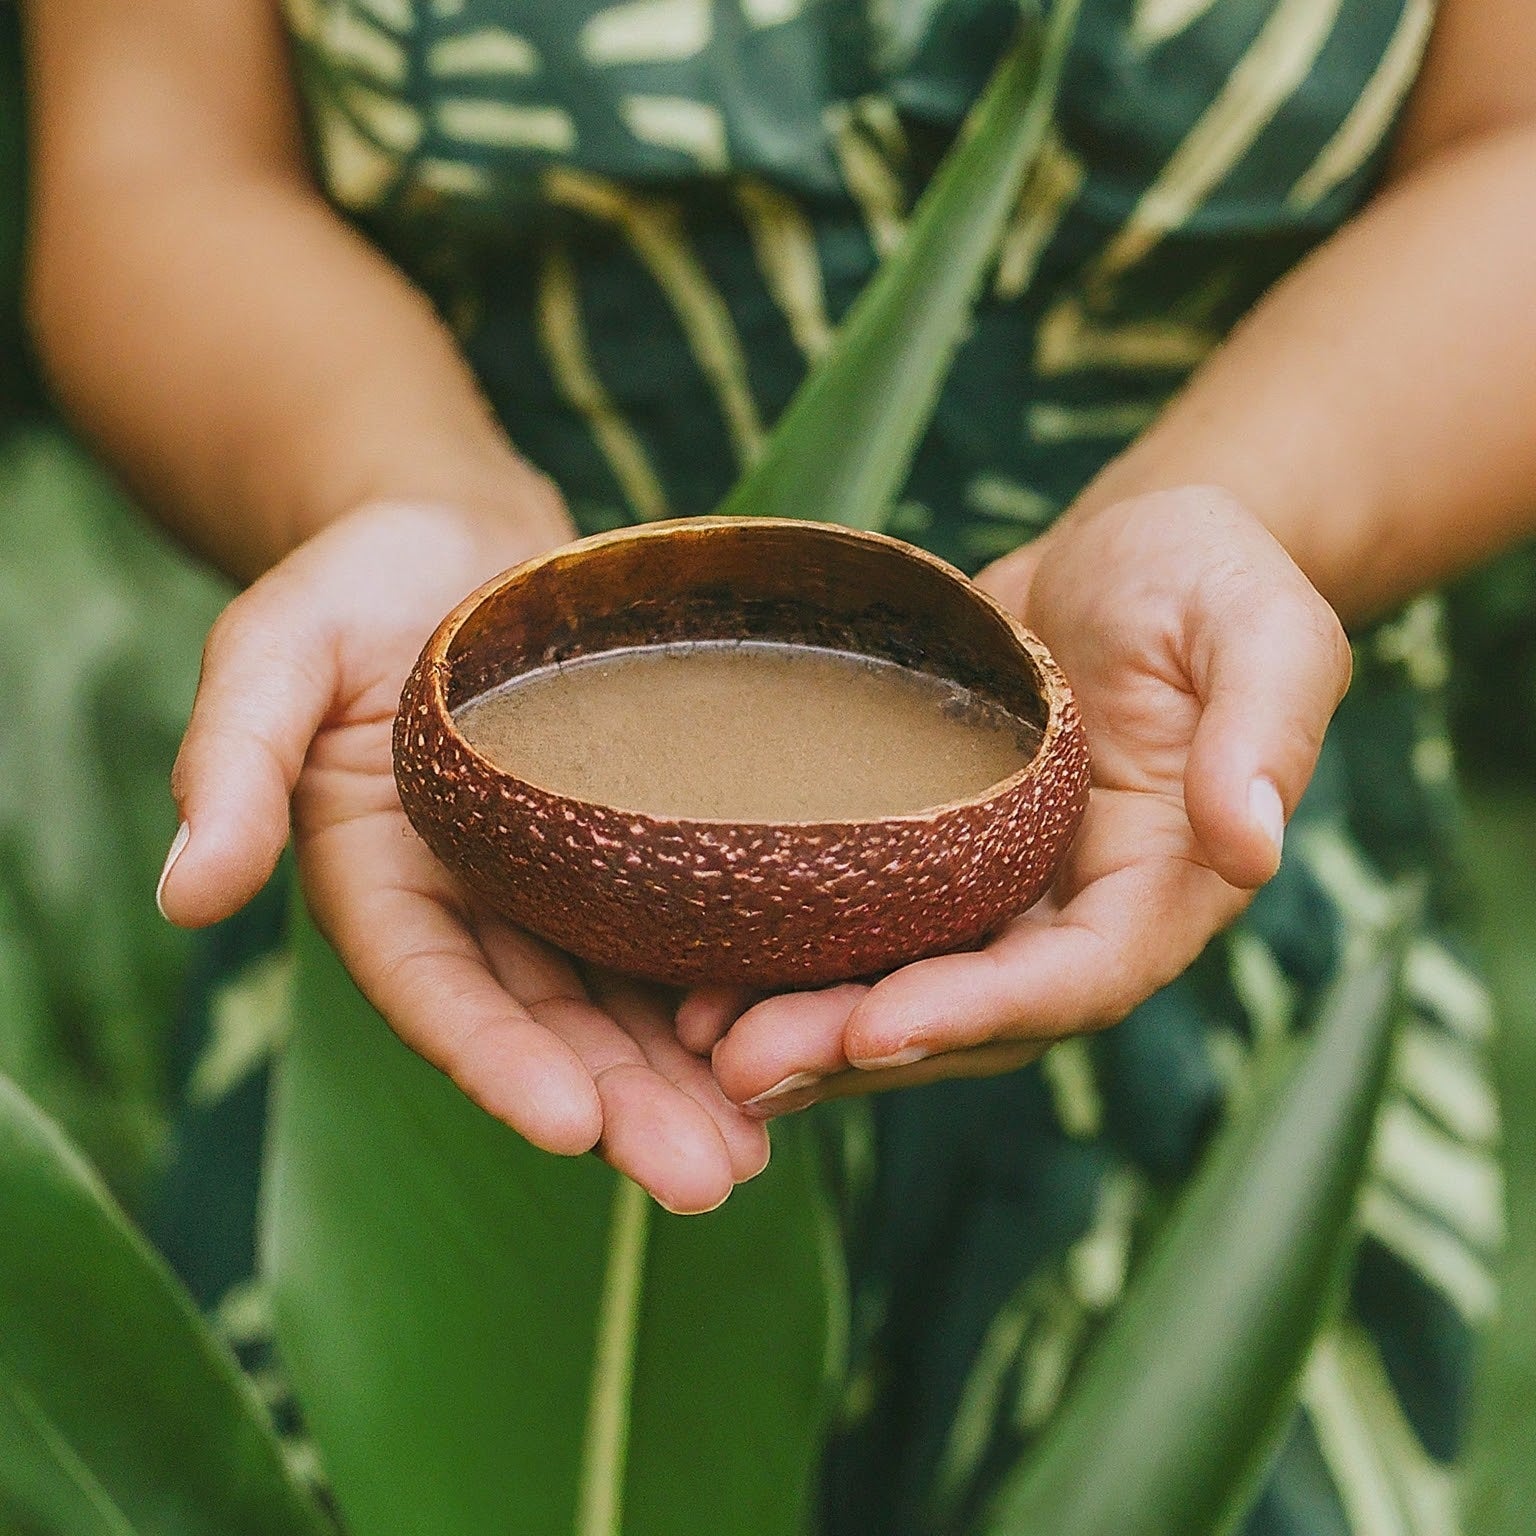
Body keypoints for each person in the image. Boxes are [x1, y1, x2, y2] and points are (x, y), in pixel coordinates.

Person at [22, 0, 1528, 1528]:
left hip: (1177, 819)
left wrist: (1248, 507)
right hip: (456, 899)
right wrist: (391, 481)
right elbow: (160, 166)